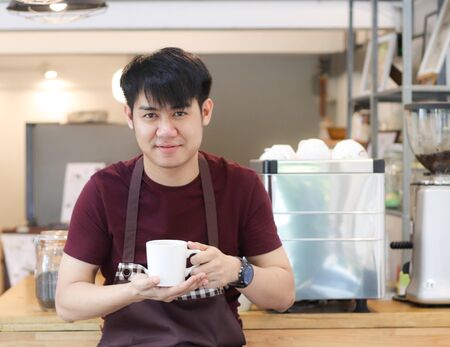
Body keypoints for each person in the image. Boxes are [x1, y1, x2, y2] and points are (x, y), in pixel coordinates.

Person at [55, 47, 295, 347]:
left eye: (179, 113)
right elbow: (67, 302)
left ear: (205, 111)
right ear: (130, 116)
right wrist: (135, 291)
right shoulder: (104, 189)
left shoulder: (240, 186)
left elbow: (284, 294)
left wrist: (237, 270)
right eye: (151, 115)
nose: (166, 130)